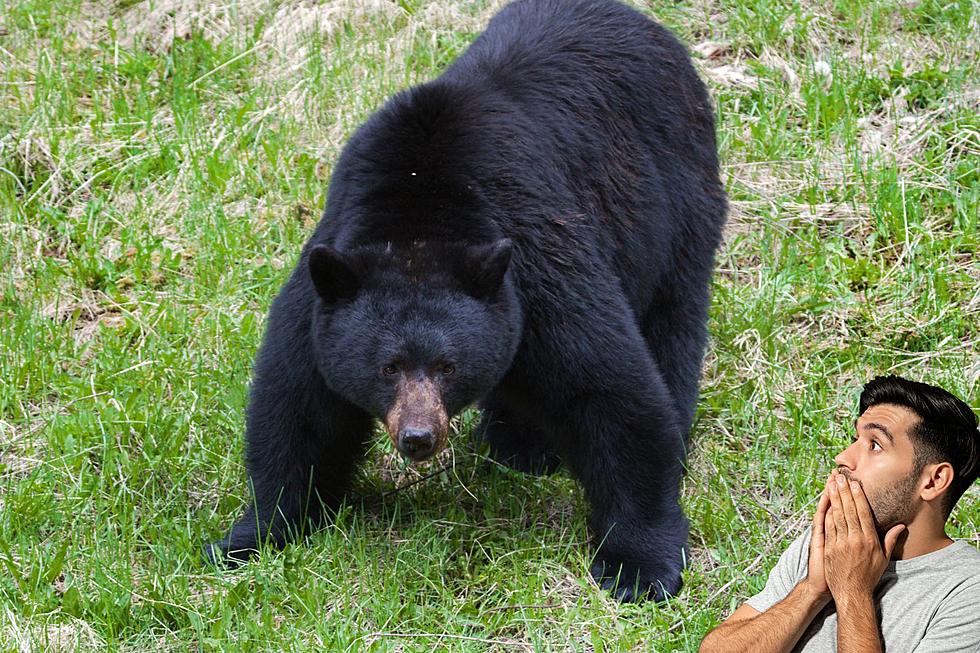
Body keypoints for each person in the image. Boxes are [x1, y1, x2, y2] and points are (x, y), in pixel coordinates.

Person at [699, 375, 980, 653]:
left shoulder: (967, 590)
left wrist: (853, 592)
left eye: (875, 444)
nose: (843, 457)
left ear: (933, 481)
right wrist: (811, 590)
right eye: (855, 439)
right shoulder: (827, 541)